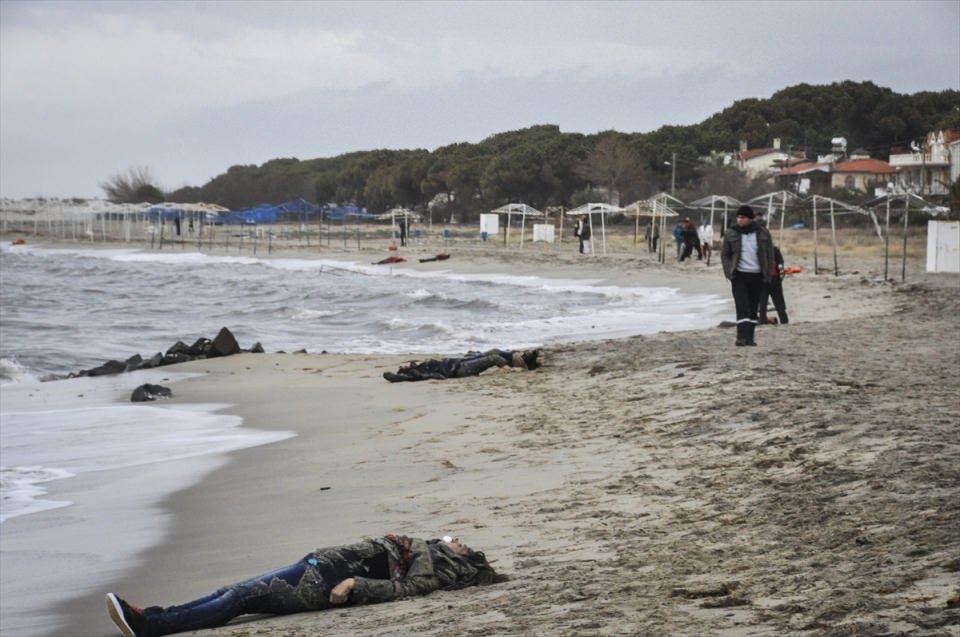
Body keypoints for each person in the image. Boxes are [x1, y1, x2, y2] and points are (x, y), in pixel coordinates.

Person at [105, 534, 506, 637]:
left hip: (324, 581)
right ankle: (153, 617)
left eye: (461, 543)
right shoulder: (424, 550)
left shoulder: (433, 564)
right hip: (319, 565)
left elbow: (411, 589)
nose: (456, 538)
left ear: (462, 556)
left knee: (239, 599)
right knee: (230, 591)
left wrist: (356, 584)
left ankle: (149, 626)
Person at [720, 205, 774, 346]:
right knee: (742, 305)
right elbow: (725, 255)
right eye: (738, 217)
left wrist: (767, 275)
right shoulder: (731, 233)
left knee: (752, 306)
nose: (740, 220)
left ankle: (750, 337)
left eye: (743, 217)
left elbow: (769, 255)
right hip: (739, 275)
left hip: (757, 275)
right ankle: (741, 337)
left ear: (750, 218)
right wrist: (728, 272)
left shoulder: (763, 233)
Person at [383, 348, 540, 382]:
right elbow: (395, 377)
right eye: (404, 366)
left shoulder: (421, 364)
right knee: (493, 358)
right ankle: (516, 366)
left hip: (460, 362)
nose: (405, 364)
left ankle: (524, 359)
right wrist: (400, 375)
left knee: (494, 351)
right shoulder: (417, 372)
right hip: (460, 370)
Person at [759, 244, 790, 325]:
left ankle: (761, 321)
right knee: (779, 302)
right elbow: (780, 266)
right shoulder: (775, 250)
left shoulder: (758, 250)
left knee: (762, 303)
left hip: (762, 280)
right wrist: (780, 278)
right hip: (774, 279)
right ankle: (784, 321)